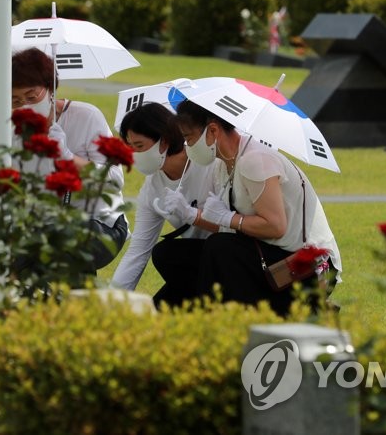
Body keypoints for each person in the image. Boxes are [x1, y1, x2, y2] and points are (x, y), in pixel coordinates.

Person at [174, 100, 342, 316]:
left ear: (213, 130)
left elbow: (275, 226)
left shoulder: (255, 160)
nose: (187, 146)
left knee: (219, 248)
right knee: (172, 254)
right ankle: (187, 314)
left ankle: (217, 320)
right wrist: (193, 215)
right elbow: (230, 226)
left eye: (189, 138)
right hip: (270, 255)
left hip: (305, 266)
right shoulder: (223, 165)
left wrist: (227, 218)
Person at [10, 48, 127, 268]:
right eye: (15, 101)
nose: (25, 105)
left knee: (61, 243)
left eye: (31, 96)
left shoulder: (87, 116)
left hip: (100, 223)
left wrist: (67, 157)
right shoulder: (13, 129)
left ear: (51, 89)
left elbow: (114, 178)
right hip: (45, 224)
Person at [111, 103, 216, 307]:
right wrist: (113, 300)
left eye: (139, 146)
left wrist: (192, 214)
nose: (133, 155)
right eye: (129, 147)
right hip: (195, 265)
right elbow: (138, 250)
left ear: (164, 141)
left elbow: (234, 225)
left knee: (166, 254)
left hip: (224, 256)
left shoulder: (209, 165)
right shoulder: (152, 187)